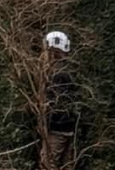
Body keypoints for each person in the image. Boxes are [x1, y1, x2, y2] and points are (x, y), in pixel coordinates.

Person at [39, 30, 80, 169]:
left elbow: (55, 104)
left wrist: (45, 125)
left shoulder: (57, 74)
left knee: (48, 165)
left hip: (57, 131)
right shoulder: (69, 71)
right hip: (69, 129)